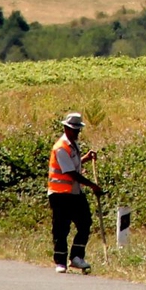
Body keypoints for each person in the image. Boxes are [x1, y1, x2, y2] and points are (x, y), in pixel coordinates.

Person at [48, 112, 104, 274]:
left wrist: (85, 158)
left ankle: (77, 257)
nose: (77, 133)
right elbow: (71, 173)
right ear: (66, 128)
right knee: (61, 228)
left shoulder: (74, 144)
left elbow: (75, 165)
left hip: (74, 192)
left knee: (85, 223)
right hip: (59, 194)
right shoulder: (61, 148)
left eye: (78, 130)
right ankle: (60, 262)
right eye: (74, 130)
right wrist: (93, 185)